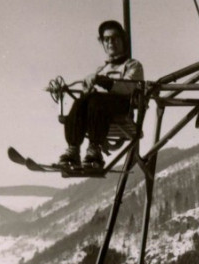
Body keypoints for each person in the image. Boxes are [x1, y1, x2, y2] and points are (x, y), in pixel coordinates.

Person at [59, 20, 144, 169]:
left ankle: (94, 149)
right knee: (81, 102)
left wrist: (104, 82)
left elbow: (129, 87)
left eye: (115, 38)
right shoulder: (101, 69)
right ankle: (73, 150)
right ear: (103, 43)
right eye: (107, 39)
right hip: (98, 110)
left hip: (121, 106)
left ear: (122, 40)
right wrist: (87, 88)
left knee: (96, 101)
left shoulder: (132, 65)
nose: (111, 42)